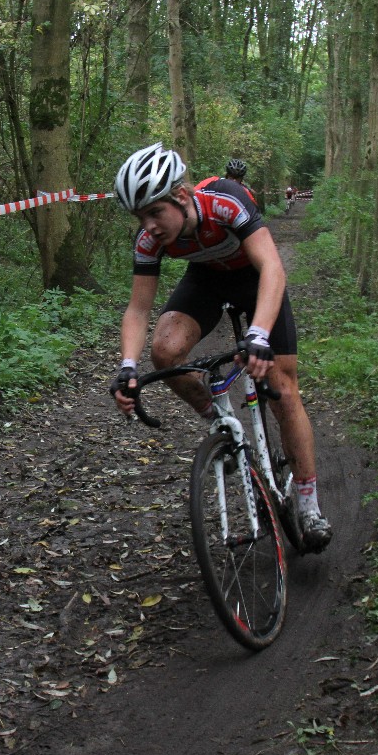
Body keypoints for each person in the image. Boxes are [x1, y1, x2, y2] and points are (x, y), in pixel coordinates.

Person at [107, 144, 331, 551]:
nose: (149, 226)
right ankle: (220, 422)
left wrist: (258, 335)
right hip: (207, 280)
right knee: (165, 351)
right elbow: (138, 309)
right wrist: (127, 366)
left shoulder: (225, 201)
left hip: (255, 277)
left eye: (155, 212)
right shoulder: (149, 240)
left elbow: (272, 266)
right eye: (140, 217)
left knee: (281, 387)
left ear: (181, 196)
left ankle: (309, 503)